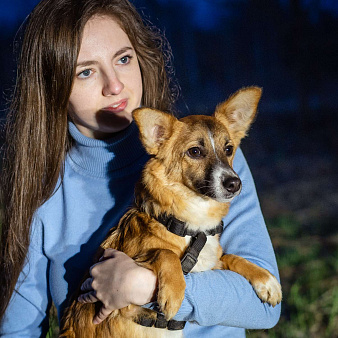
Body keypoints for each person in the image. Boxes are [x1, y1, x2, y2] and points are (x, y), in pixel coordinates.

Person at [0, 0, 281, 337]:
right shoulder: (43, 189)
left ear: (141, 58)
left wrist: (146, 286)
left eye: (123, 59)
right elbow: (18, 329)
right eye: (85, 71)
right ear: (52, 86)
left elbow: (265, 308)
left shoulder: (215, 166)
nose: (115, 85)